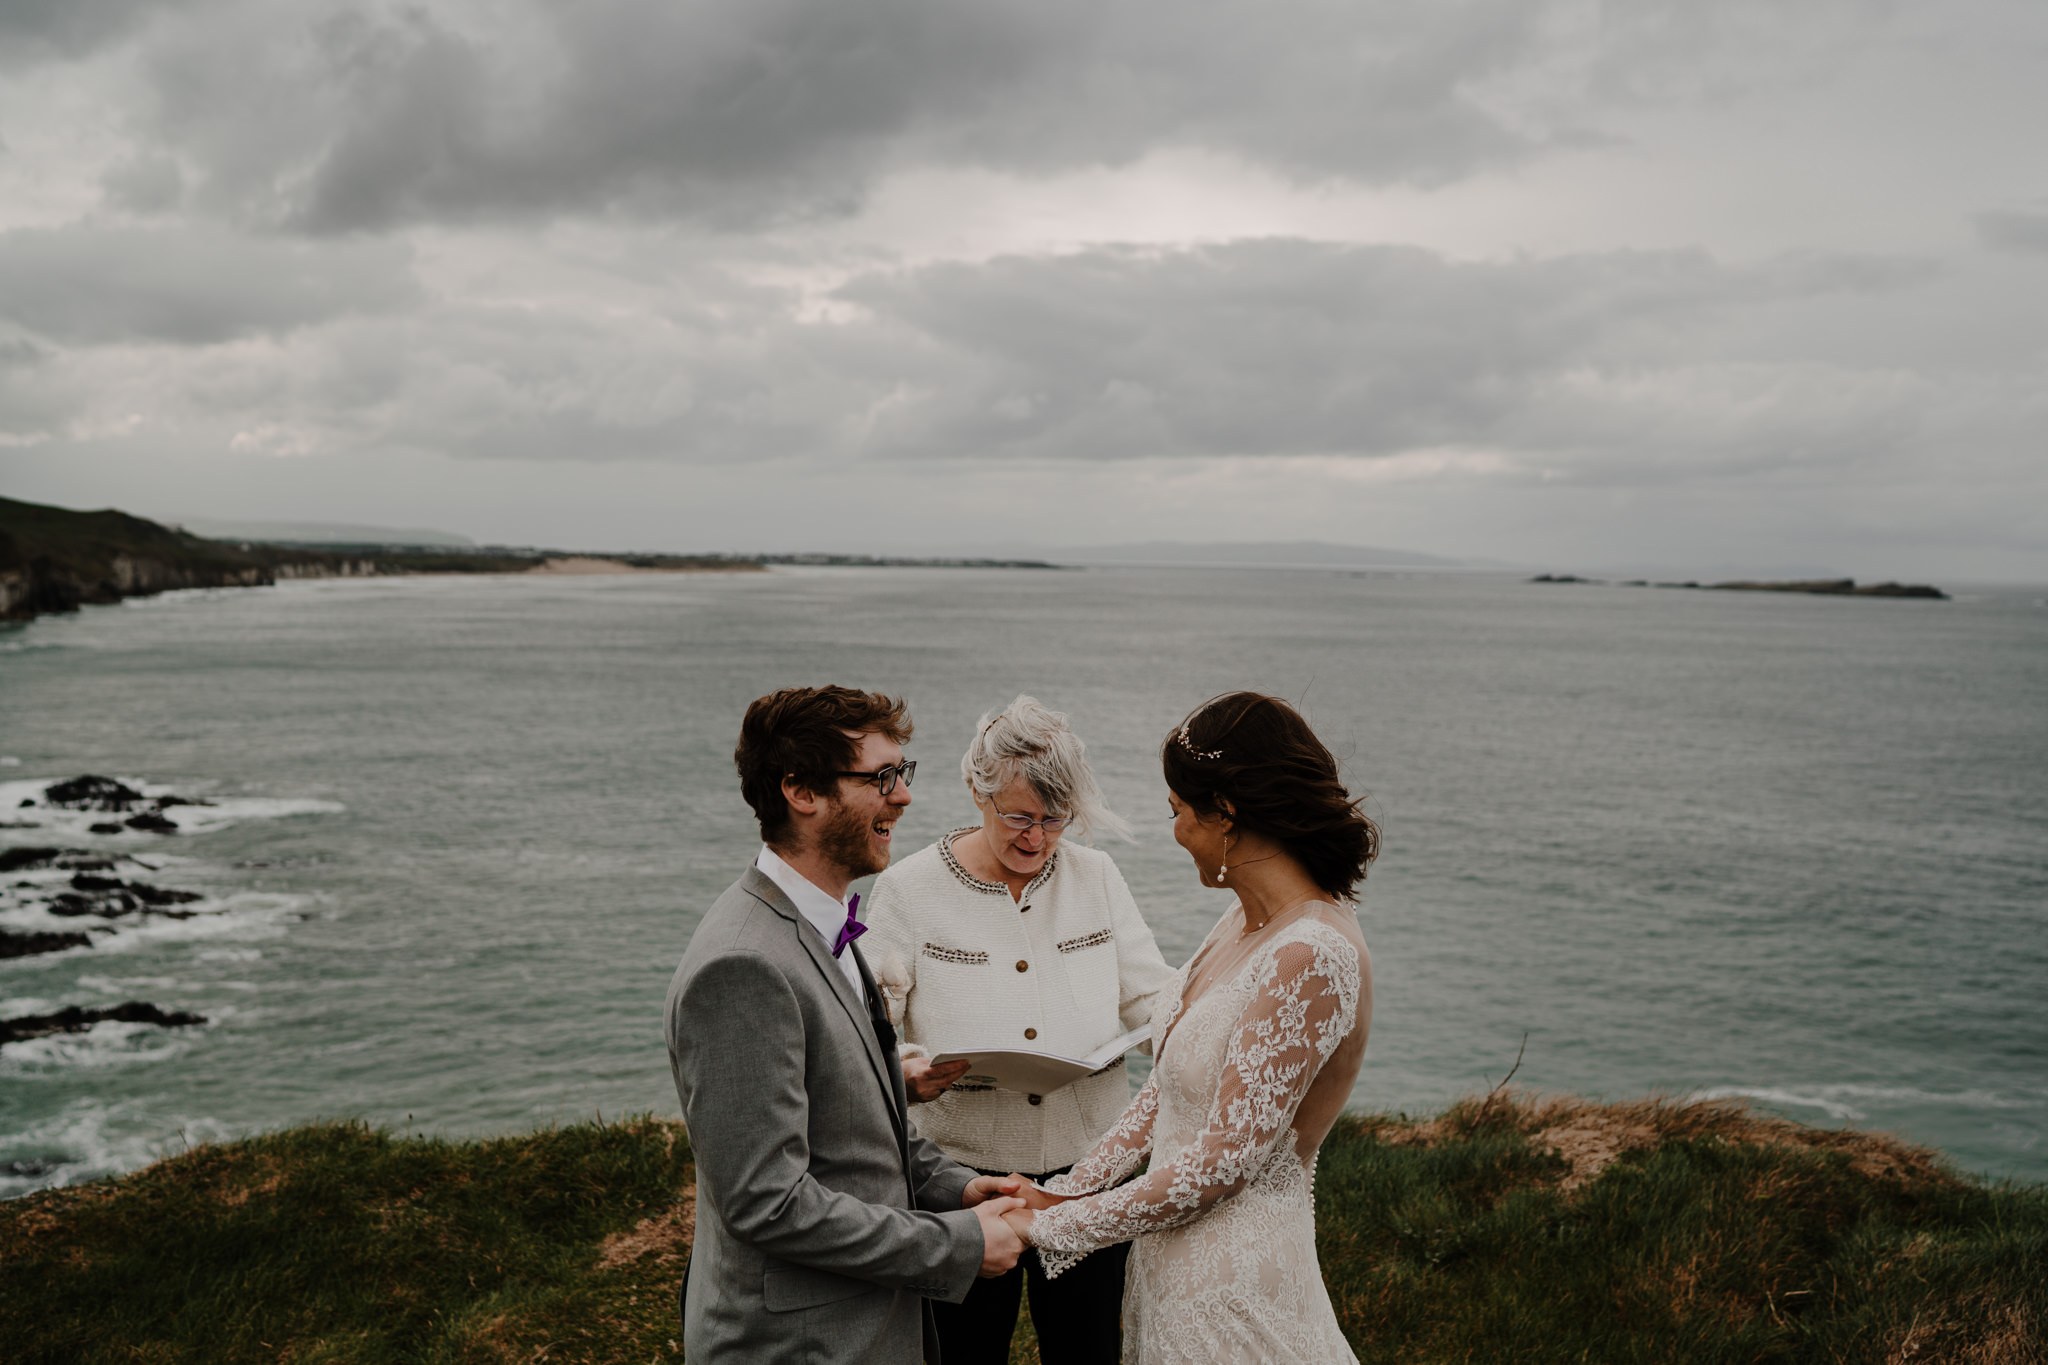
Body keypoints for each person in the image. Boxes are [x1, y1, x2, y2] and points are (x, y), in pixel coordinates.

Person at [1000, 692, 1378, 1364]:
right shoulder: (1243, 921)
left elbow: (1222, 1161)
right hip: (1170, 1273)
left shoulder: (1313, 952)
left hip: (1237, 1293)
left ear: (1225, 814)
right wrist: (1065, 1186)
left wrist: (1049, 1225)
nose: (1174, 830)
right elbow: (1165, 1092)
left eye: (1178, 811)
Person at [664, 685, 1030, 1364]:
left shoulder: (822, 922)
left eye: (903, 773)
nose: (904, 796)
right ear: (801, 791)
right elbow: (767, 1202)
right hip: (800, 1344)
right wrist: (958, 1241)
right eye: (880, 777)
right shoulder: (744, 965)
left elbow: (854, 1118)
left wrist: (954, 1186)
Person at [863, 696, 1175, 1365]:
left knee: (1088, 1349)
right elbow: (863, 1036)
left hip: (1090, 1174)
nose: (1037, 837)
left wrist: (1207, 1031)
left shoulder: (1097, 875)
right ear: (978, 792)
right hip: (960, 1179)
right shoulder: (908, 888)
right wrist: (908, 1070)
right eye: (1019, 816)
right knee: (963, 1352)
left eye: (1055, 819)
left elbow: (1152, 997)